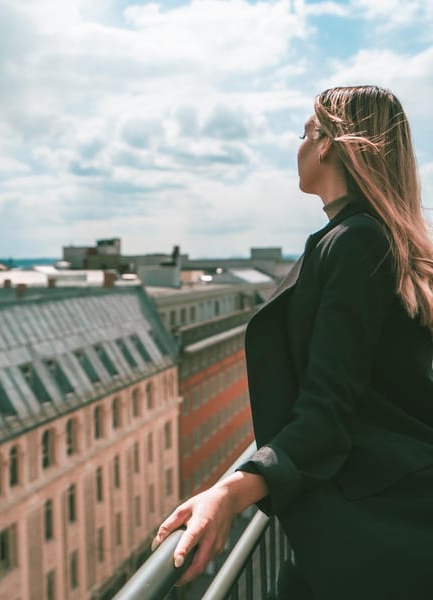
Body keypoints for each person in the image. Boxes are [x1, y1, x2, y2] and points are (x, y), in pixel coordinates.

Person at [151, 86, 433, 599]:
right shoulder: (361, 237)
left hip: (380, 534)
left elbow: (327, 411)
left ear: (328, 144)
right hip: (381, 523)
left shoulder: (357, 241)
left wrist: (230, 492)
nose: (298, 146)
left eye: (305, 133)